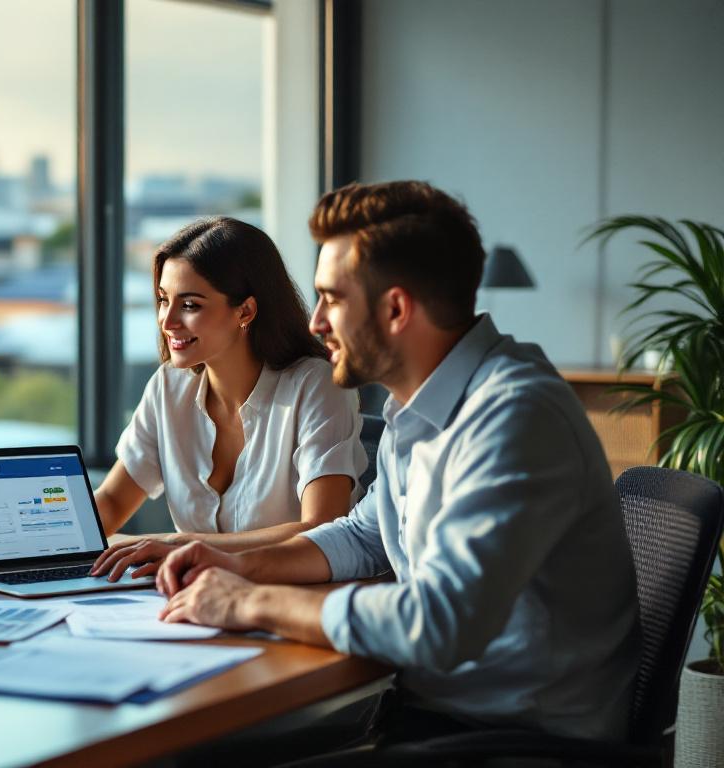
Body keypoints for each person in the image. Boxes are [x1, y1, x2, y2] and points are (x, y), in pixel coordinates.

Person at [157, 181, 640, 740]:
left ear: (395, 309)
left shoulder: (514, 416)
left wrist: (252, 602)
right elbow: (366, 538)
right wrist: (240, 564)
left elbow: (439, 623)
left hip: (515, 739)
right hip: (434, 714)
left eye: (332, 299)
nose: (316, 323)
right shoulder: (413, 409)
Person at [89, 217, 366, 582]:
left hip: (290, 599)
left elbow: (321, 526)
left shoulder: (316, 384)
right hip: (191, 600)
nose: (167, 321)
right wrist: (21, 545)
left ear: (245, 311)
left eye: (189, 305)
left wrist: (181, 543)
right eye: (163, 300)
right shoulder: (168, 387)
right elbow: (110, 502)